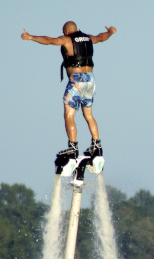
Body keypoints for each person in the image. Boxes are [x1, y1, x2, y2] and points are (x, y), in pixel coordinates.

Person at [21, 21, 116, 162]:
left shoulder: (66, 39)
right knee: (88, 114)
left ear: (66, 30)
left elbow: (48, 40)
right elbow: (101, 37)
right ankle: (97, 146)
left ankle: (73, 148)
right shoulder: (88, 38)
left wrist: (31, 37)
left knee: (69, 114)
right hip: (90, 80)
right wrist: (110, 32)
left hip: (76, 80)